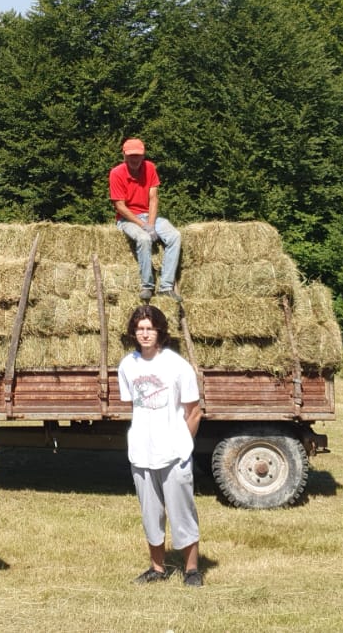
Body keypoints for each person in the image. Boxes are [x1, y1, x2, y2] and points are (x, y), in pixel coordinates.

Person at [117, 304, 204, 587]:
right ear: (134, 332)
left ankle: (192, 570)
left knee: (182, 513)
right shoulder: (127, 365)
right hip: (141, 454)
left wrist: (183, 446)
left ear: (160, 332)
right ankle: (157, 568)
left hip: (174, 455)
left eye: (150, 329)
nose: (145, 334)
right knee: (150, 514)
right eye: (140, 329)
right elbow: (134, 407)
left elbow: (194, 411)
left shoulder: (177, 366)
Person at [110, 137, 181, 299]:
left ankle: (166, 286)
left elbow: (153, 198)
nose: (135, 159)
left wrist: (151, 223)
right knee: (143, 238)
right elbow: (120, 206)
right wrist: (144, 226)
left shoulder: (150, 168)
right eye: (131, 156)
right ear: (124, 156)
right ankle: (147, 285)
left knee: (175, 235)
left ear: (143, 155)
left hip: (149, 216)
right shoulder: (116, 173)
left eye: (138, 155)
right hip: (127, 219)